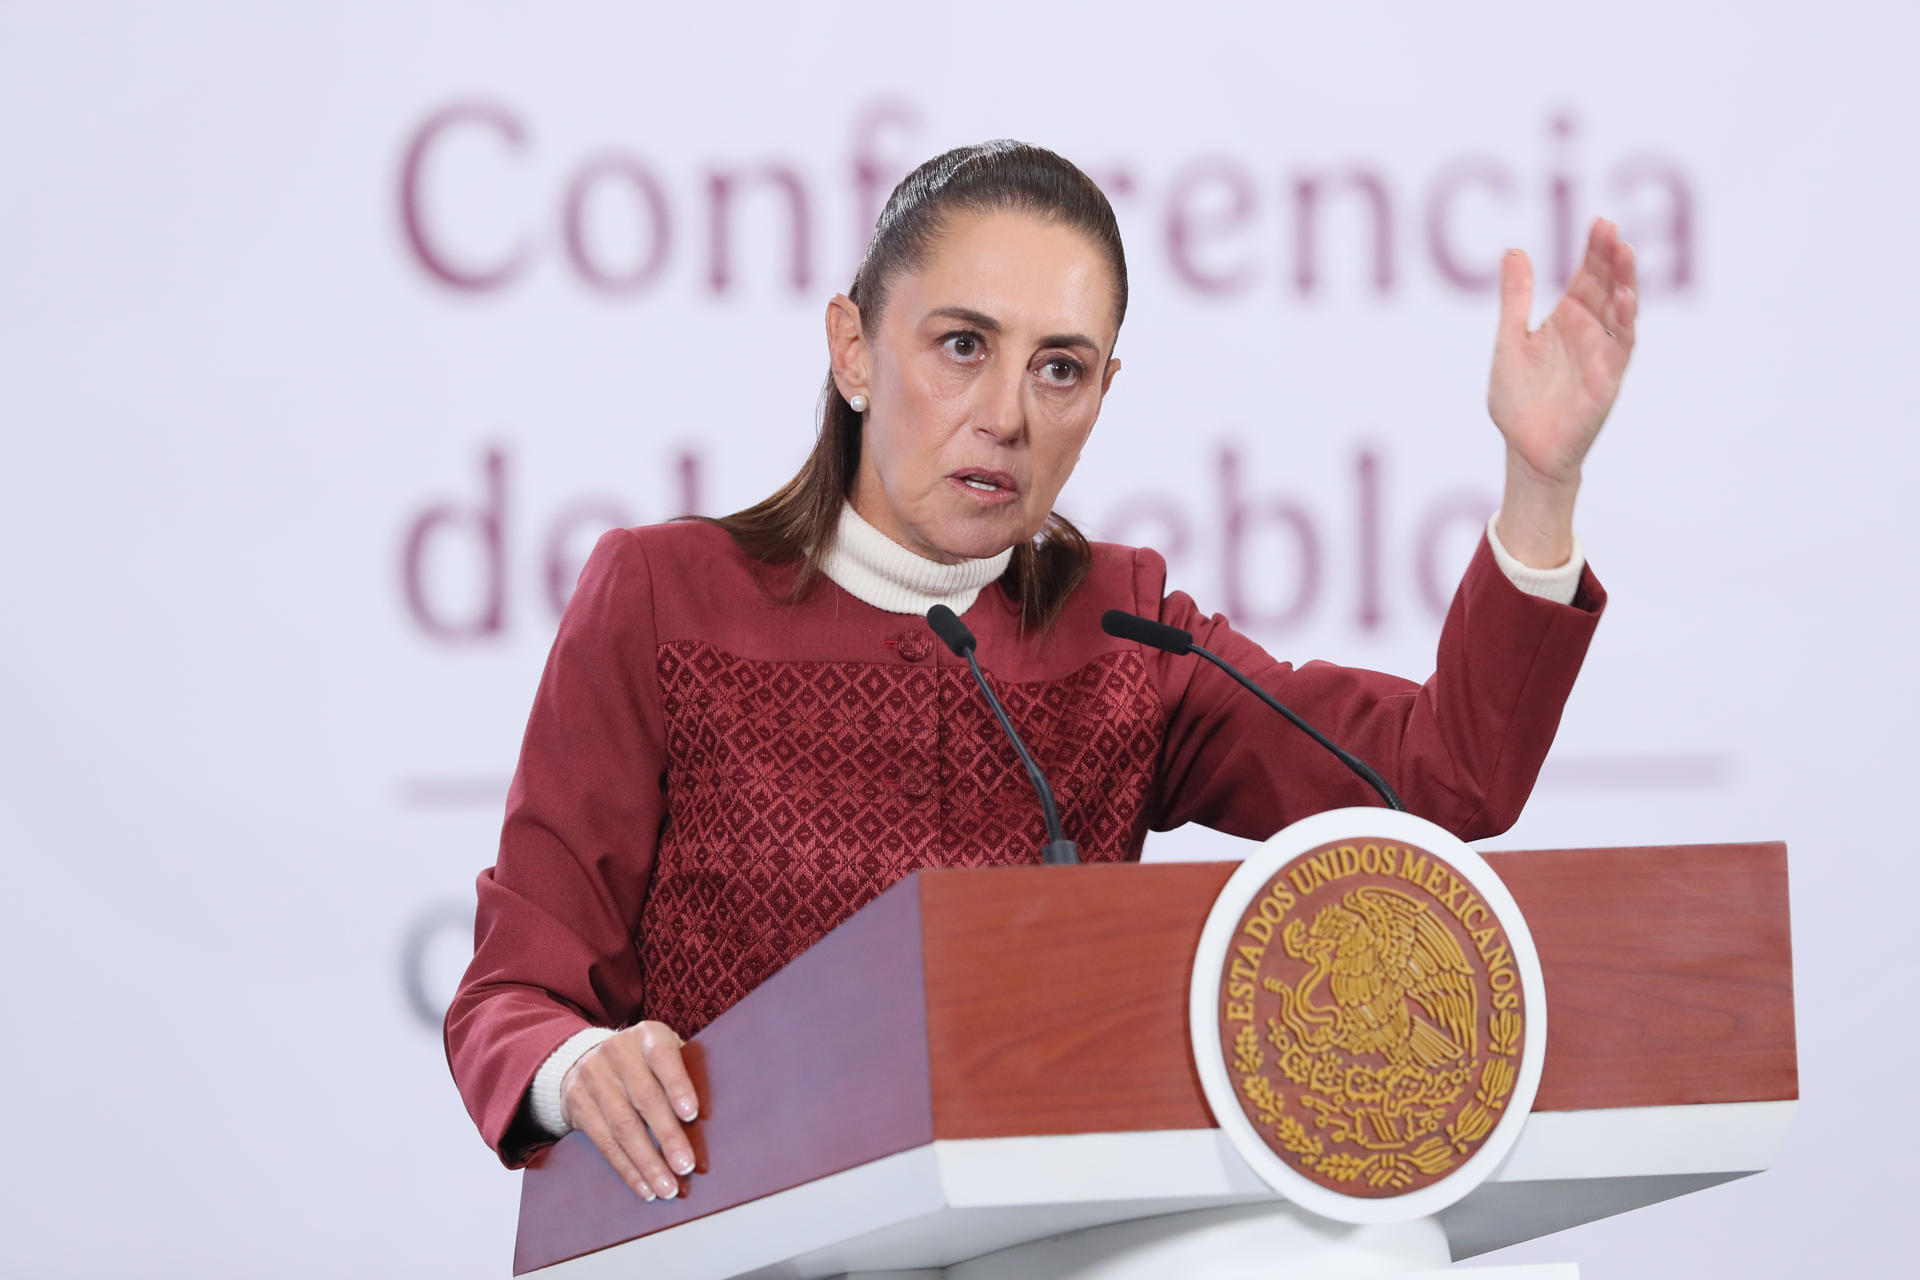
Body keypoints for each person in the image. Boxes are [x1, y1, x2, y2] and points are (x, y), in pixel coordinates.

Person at [444, 141, 1633, 1204]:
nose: (1006, 414)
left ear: (1104, 394)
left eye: (1060, 368)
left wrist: (1542, 485)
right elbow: (513, 995)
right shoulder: (663, 597)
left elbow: (1440, 784)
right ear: (854, 350)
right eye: (962, 346)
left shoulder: (1122, 628)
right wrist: (576, 1067)